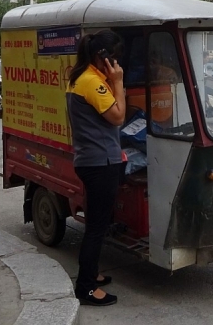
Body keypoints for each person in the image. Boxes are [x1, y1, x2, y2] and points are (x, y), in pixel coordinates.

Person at [66, 29, 126, 307]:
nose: (117, 63)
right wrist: (119, 82)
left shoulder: (80, 77)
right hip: (101, 162)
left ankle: (91, 274)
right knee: (96, 228)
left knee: (95, 224)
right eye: (114, 58)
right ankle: (86, 288)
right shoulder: (92, 82)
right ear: (102, 57)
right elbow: (117, 117)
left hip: (90, 159)